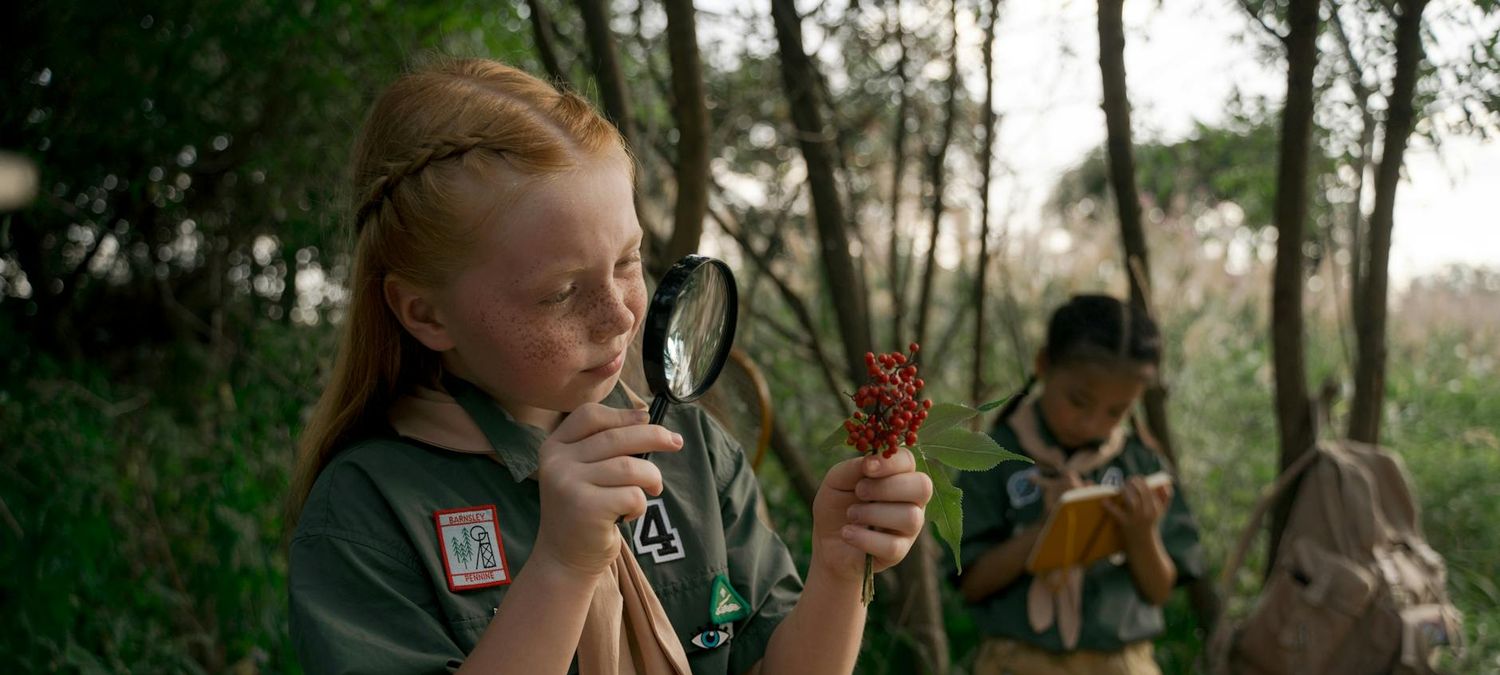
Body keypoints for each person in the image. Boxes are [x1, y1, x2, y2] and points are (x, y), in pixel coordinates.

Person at [286, 58, 932, 675]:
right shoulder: (368, 509)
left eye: (628, 262)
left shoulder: (690, 451)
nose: (619, 315)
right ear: (426, 313)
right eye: (562, 292)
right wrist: (562, 567)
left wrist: (842, 570)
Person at [954, 295, 1205, 675]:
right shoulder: (992, 456)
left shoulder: (1140, 462)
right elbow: (971, 584)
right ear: (1043, 366)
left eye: (1116, 412)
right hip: (1017, 662)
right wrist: (1046, 529)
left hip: (1122, 664)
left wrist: (1141, 534)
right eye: (1078, 401)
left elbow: (1159, 591)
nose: (1091, 423)